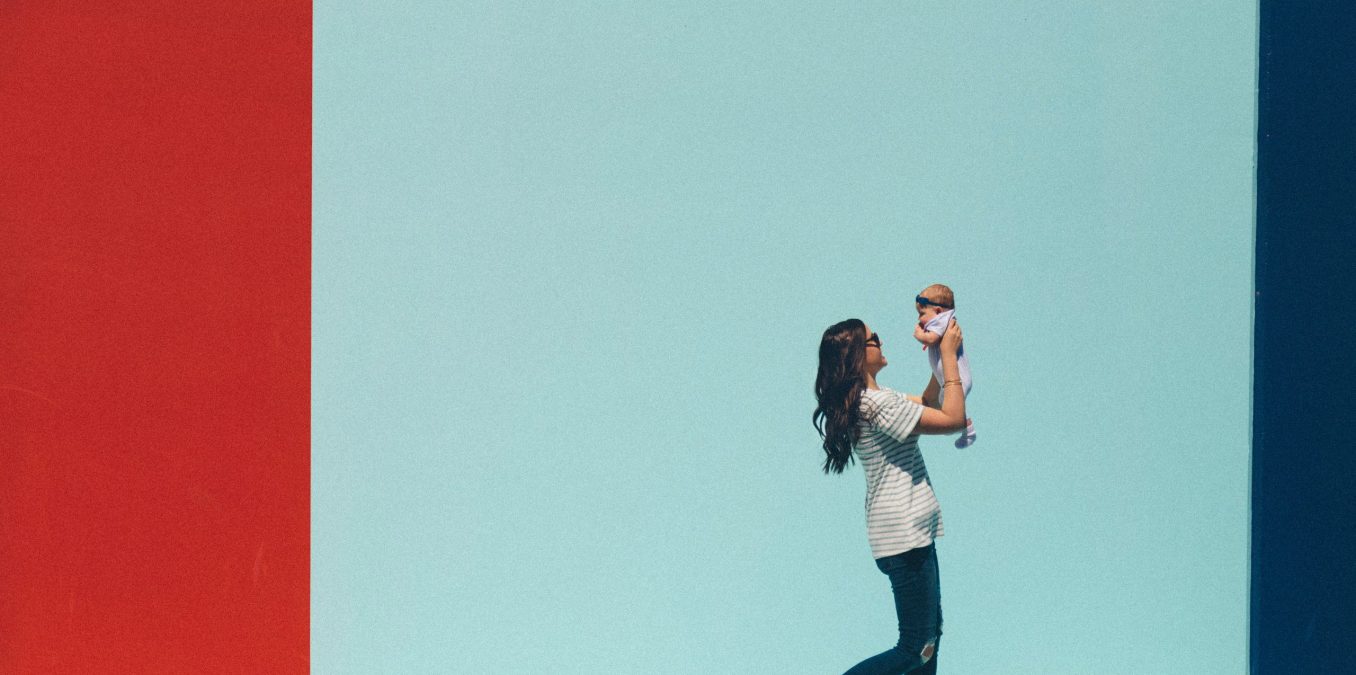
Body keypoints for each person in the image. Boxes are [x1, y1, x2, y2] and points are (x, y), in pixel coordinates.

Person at [814, 318, 967, 674]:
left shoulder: (875, 400)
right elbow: (953, 418)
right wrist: (949, 356)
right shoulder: (876, 405)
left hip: (907, 532)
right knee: (917, 647)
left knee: (930, 638)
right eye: (874, 339)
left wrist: (937, 357)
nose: (881, 342)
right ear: (856, 355)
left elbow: (927, 402)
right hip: (904, 534)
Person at [911, 284, 976, 448]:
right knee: (944, 411)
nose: (919, 319)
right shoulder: (941, 320)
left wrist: (919, 335)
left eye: (922, 314)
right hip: (949, 380)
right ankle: (966, 427)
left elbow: (931, 339)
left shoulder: (942, 321)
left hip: (958, 379)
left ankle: (967, 427)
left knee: (947, 416)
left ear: (938, 311)